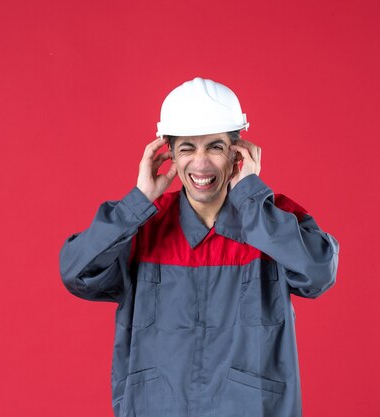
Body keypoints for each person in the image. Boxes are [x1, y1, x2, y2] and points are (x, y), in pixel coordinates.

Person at [59, 77, 338, 417]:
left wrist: (250, 197)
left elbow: (319, 272)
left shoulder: (271, 220)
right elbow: (77, 273)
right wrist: (139, 201)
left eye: (215, 147)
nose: (201, 163)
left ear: (238, 153)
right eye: (188, 148)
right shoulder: (143, 226)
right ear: (170, 156)